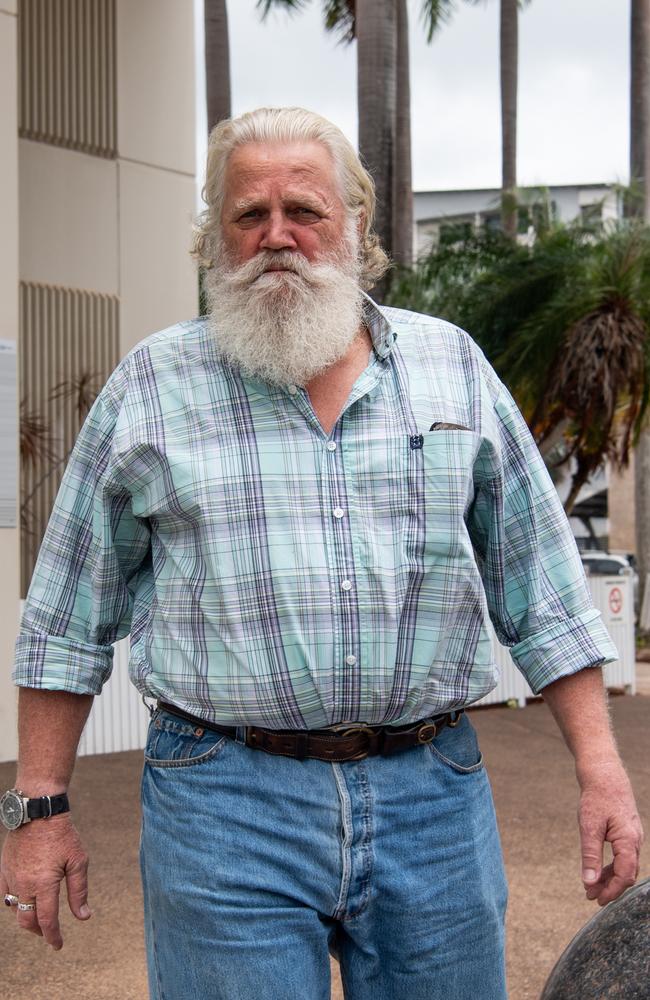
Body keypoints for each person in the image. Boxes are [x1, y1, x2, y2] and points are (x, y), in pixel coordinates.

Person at [0, 107, 643, 1000]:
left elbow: (542, 588)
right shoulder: (151, 386)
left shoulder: (450, 365)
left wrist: (603, 775)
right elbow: (66, 615)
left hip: (433, 795)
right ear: (212, 239)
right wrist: (39, 808)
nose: (277, 237)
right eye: (247, 215)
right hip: (223, 803)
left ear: (355, 226)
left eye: (303, 210)